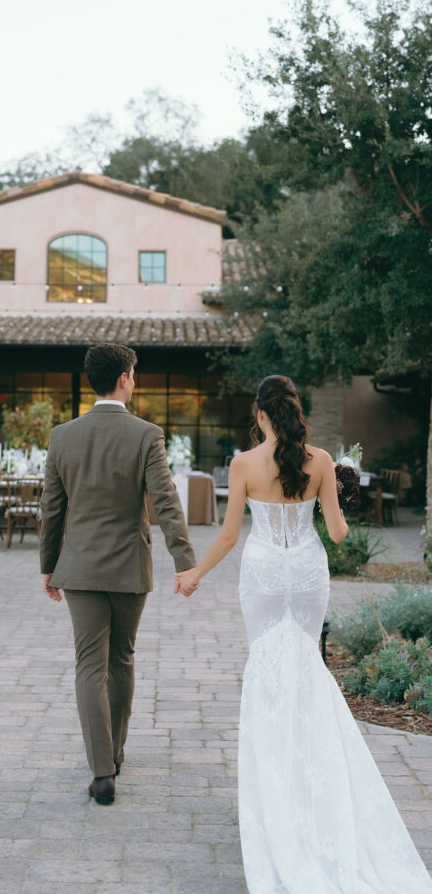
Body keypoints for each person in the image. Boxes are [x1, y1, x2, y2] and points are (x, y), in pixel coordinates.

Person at [175, 374, 432, 893]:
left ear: (262, 415)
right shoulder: (320, 463)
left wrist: (195, 573)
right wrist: (345, 486)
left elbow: (229, 534)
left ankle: (278, 791)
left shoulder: (244, 463)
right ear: (294, 410)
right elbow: (337, 534)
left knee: (270, 674)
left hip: (265, 572)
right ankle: (315, 784)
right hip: (309, 573)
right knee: (306, 667)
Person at [39, 343, 197, 805]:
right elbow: (165, 501)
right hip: (130, 567)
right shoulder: (147, 434)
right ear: (125, 378)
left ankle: (101, 772)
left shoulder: (62, 436)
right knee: (121, 660)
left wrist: (48, 567)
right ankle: (117, 753)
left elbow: (51, 511)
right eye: (134, 373)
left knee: (90, 665)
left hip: (80, 568)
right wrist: (185, 562)